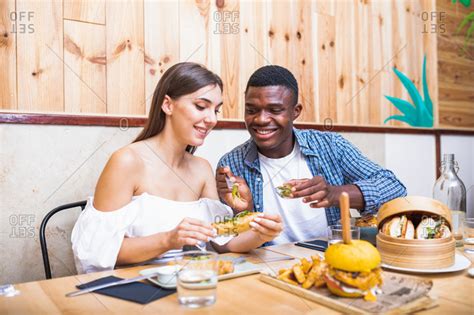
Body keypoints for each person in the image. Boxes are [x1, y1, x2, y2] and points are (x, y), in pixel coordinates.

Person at [71, 62, 282, 273]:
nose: (211, 119)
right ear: (168, 105)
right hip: (134, 287)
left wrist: (260, 235)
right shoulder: (127, 161)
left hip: (191, 283)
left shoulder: (202, 168)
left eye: (216, 110)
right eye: (201, 106)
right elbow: (97, 251)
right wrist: (168, 240)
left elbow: (220, 243)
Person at [216, 65, 406, 245]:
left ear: (295, 111)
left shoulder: (329, 146)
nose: (261, 119)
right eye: (251, 110)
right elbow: (226, 240)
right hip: (267, 267)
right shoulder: (231, 164)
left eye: (275, 110)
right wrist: (245, 210)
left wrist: (335, 194)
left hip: (331, 260)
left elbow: (394, 188)